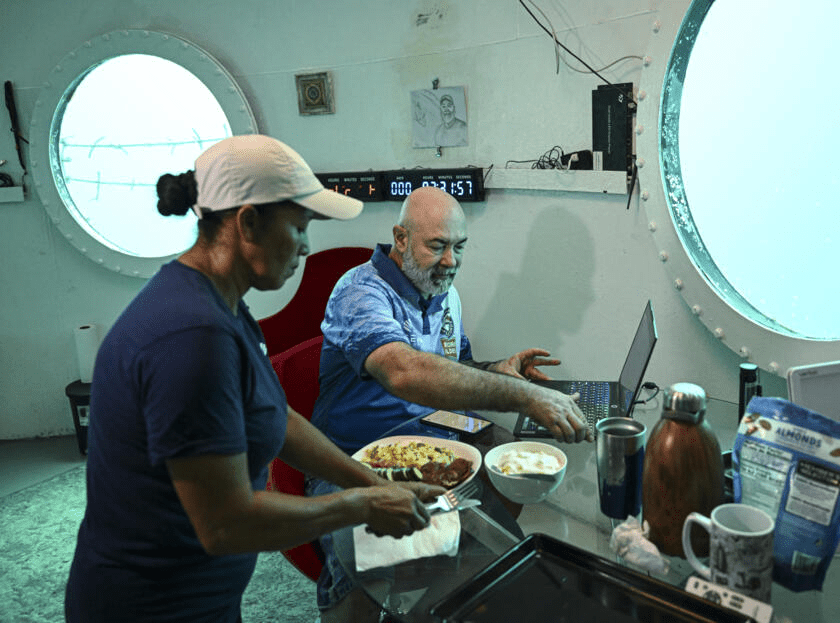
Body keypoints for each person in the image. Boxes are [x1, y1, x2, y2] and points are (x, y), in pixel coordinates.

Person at [63, 135, 444, 623]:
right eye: (300, 227)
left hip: (205, 595)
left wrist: (369, 480)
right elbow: (225, 524)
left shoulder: (220, 305)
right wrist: (363, 504)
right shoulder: (192, 336)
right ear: (247, 222)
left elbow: (275, 417)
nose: (307, 247)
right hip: (153, 604)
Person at [307, 185, 592, 616]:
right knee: (359, 560)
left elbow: (453, 366)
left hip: (429, 446)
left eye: (459, 247)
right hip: (350, 457)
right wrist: (525, 397)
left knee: (499, 500)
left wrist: (498, 369)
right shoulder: (360, 292)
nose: (451, 262)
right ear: (400, 239)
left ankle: (452, 597)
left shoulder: (444, 293)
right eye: (437, 246)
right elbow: (404, 371)